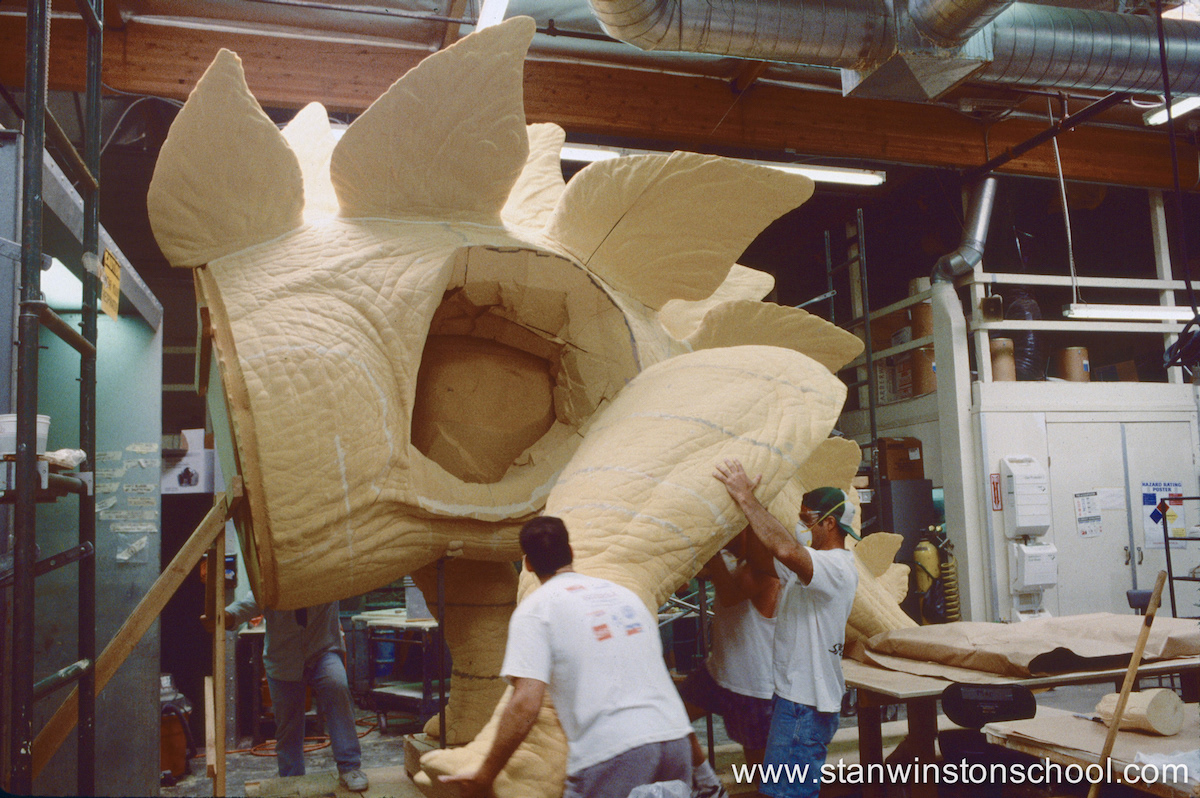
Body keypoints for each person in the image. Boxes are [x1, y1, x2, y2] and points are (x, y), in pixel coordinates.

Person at [441, 515, 722, 798]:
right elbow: (659, 689)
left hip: (612, 753)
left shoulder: (537, 609)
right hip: (673, 744)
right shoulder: (625, 598)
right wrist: (705, 774)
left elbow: (525, 703)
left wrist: (484, 774)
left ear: (527, 563)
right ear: (571, 552)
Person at [713, 460, 859, 798]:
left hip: (804, 706)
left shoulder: (834, 567)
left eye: (807, 519)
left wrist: (746, 498)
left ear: (830, 523)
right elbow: (764, 560)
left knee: (787, 794)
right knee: (777, 791)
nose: (800, 525)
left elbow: (783, 548)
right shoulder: (806, 566)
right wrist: (754, 504)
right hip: (792, 700)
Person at [222, 596, 369, 793]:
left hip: (323, 649)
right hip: (283, 657)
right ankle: (291, 779)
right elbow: (255, 597)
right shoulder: (274, 578)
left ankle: (350, 767)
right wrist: (228, 615)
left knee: (337, 686)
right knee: (288, 723)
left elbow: (350, 578)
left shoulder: (326, 571)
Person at [678, 528, 780, 772]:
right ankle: (708, 784)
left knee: (763, 774)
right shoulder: (733, 562)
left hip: (751, 687)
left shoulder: (766, 567)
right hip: (717, 674)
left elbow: (731, 595)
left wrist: (712, 555)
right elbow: (685, 581)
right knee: (670, 721)